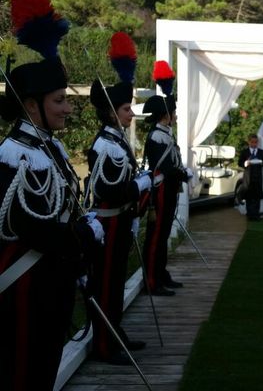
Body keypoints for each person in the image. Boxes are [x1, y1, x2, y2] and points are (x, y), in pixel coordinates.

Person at [0, 0, 103, 390]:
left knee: (43, 370)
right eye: (59, 100)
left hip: (52, 281)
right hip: (26, 286)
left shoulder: (49, 151)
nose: (67, 109)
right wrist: (82, 236)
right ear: (31, 106)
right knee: (24, 372)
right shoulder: (12, 156)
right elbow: (32, 227)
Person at [85, 32, 151, 365]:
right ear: (112, 113)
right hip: (108, 227)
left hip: (121, 222)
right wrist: (140, 185)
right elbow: (109, 190)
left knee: (115, 283)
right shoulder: (105, 145)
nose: (131, 114)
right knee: (107, 285)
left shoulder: (117, 141)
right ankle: (104, 344)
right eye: (126, 109)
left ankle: (114, 332)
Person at [142, 61, 191, 296]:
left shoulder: (165, 133)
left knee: (162, 235)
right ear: (166, 115)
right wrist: (184, 173)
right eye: (173, 113)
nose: (175, 116)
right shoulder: (157, 136)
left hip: (169, 189)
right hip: (161, 190)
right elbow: (167, 168)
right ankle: (152, 279)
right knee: (156, 237)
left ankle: (161, 273)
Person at [238, 133, 263, 220]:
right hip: (248, 176)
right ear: (249, 142)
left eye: (256, 142)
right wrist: (245, 163)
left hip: (258, 177)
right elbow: (239, 163)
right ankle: (249, 214)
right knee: (248, 196)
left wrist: (261, 162)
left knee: (257, 196)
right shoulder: (245, 152)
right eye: (252, 142)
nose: (254, 144)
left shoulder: (261, 152)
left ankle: (256, 214)